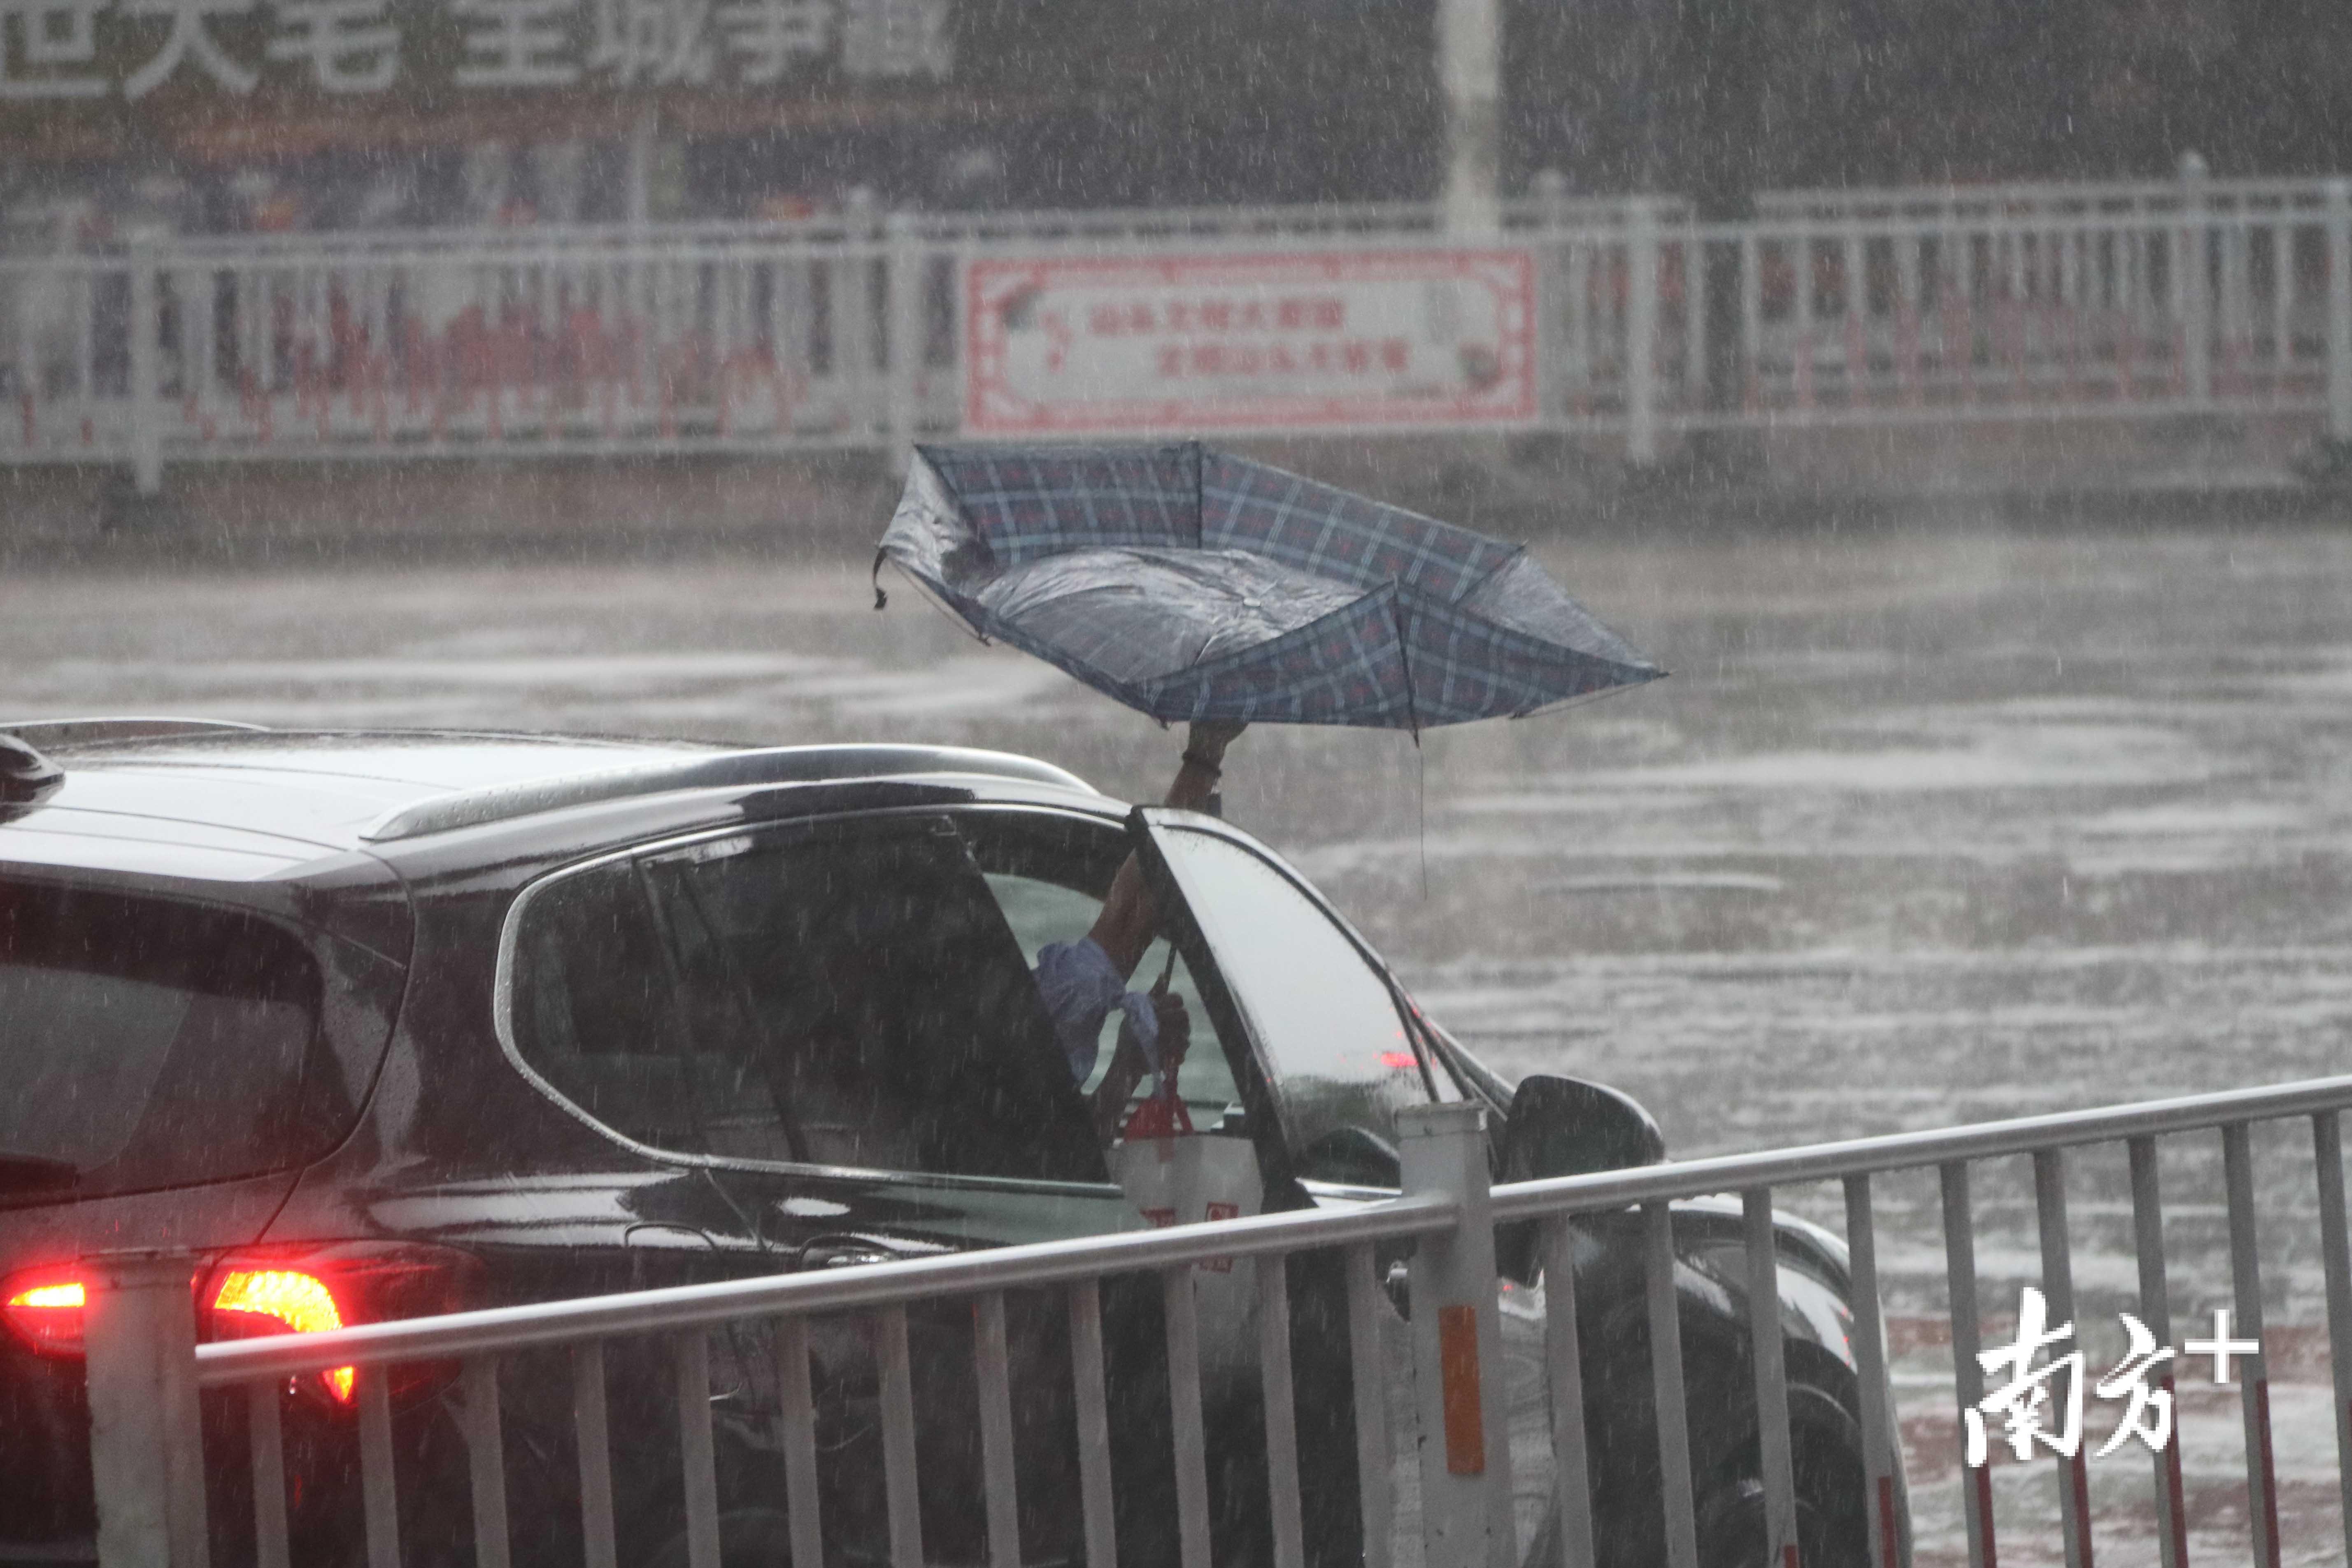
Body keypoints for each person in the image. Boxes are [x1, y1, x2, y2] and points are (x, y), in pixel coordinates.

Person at [1032, 721, 1245, 1140]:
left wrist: (1129, 1065)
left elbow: (1128, 918)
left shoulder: (1035, 1013)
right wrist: (1205, 756)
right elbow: (1128, 920)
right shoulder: (1041, 1011)